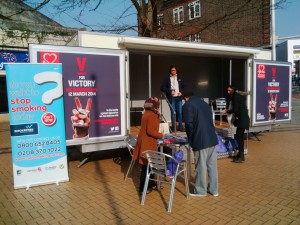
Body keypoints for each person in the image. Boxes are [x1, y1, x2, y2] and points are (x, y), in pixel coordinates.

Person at [183, 92, 219, 197]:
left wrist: (191, 139)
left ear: (186, 98)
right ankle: (214, 190)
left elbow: (189, 124)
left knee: (200, 166)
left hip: (200, 140)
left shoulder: (188, 104)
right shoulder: (204, 103)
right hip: (212, 138)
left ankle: (201, 190)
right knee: (212, 166)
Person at [132, 97, 164, 195]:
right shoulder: (153, 115)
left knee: (148, 166)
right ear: (155, 106)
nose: (159, 107)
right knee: (147, 166)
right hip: (148, 144)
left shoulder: (146, 113)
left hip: (144, 142)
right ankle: (143, 189)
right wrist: (161, 135)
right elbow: (151, 131)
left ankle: (151, 184)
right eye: (158, 105)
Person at [224, 85, 250, 163]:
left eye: (229, 90)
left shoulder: (235, 97)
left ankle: (241, 156)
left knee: (239, 137)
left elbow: (235, 109)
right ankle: (240, 154)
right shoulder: (236, 96)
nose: (228, 92)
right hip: (242, 119)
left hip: (242, 120)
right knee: (239, 137)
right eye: (227, 90)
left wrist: (227, 111)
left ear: (233, 90)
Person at [160, 65, 186, 132]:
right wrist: (170, 91)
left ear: (176, 71)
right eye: (172, 70)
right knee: (173, 112)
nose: (173, 71)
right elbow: (162, 87)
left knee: (180, 112)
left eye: (174, 70)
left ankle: (180, 126)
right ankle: (173, 126)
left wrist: (181, 92)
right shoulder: (167, 78)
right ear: (170, 71)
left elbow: (184, 87)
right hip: (171, 98)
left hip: (179, 98)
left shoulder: (180, 78)